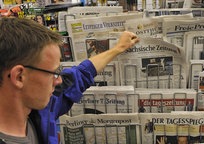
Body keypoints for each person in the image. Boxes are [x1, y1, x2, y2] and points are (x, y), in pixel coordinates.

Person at [0, 17, 139, 144]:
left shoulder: (42, 109)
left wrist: (118, 48)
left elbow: (80, 75)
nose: (59, 80)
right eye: (54, 73)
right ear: (19, 77)